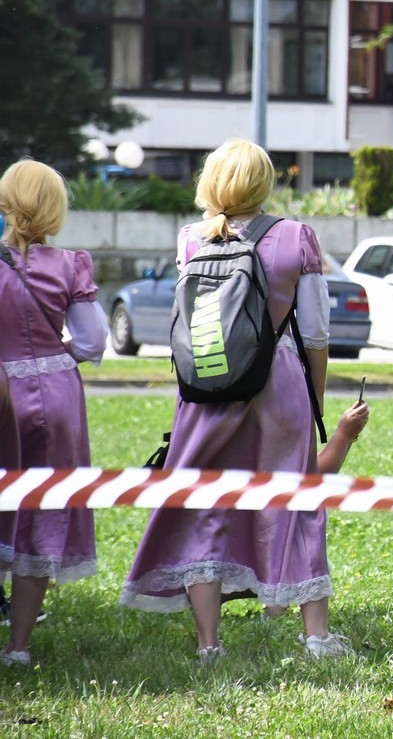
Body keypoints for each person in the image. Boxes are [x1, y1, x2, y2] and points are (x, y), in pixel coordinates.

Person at [121, 140, 348, 660]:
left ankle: (209, 644)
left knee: (206, 503)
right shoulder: (296, 237)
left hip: (207, 389)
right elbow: (314, 333)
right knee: (296, 500)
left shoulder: (189, 241)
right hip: (279, 382)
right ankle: (315, 637)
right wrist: (313, 400)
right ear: (265, 183)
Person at [0, 160, 107, 668]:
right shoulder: (69, 264)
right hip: (59, 396)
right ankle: (18, 647)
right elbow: (91, 340)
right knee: (43, 510)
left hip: (2, 393)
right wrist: (58, 350)